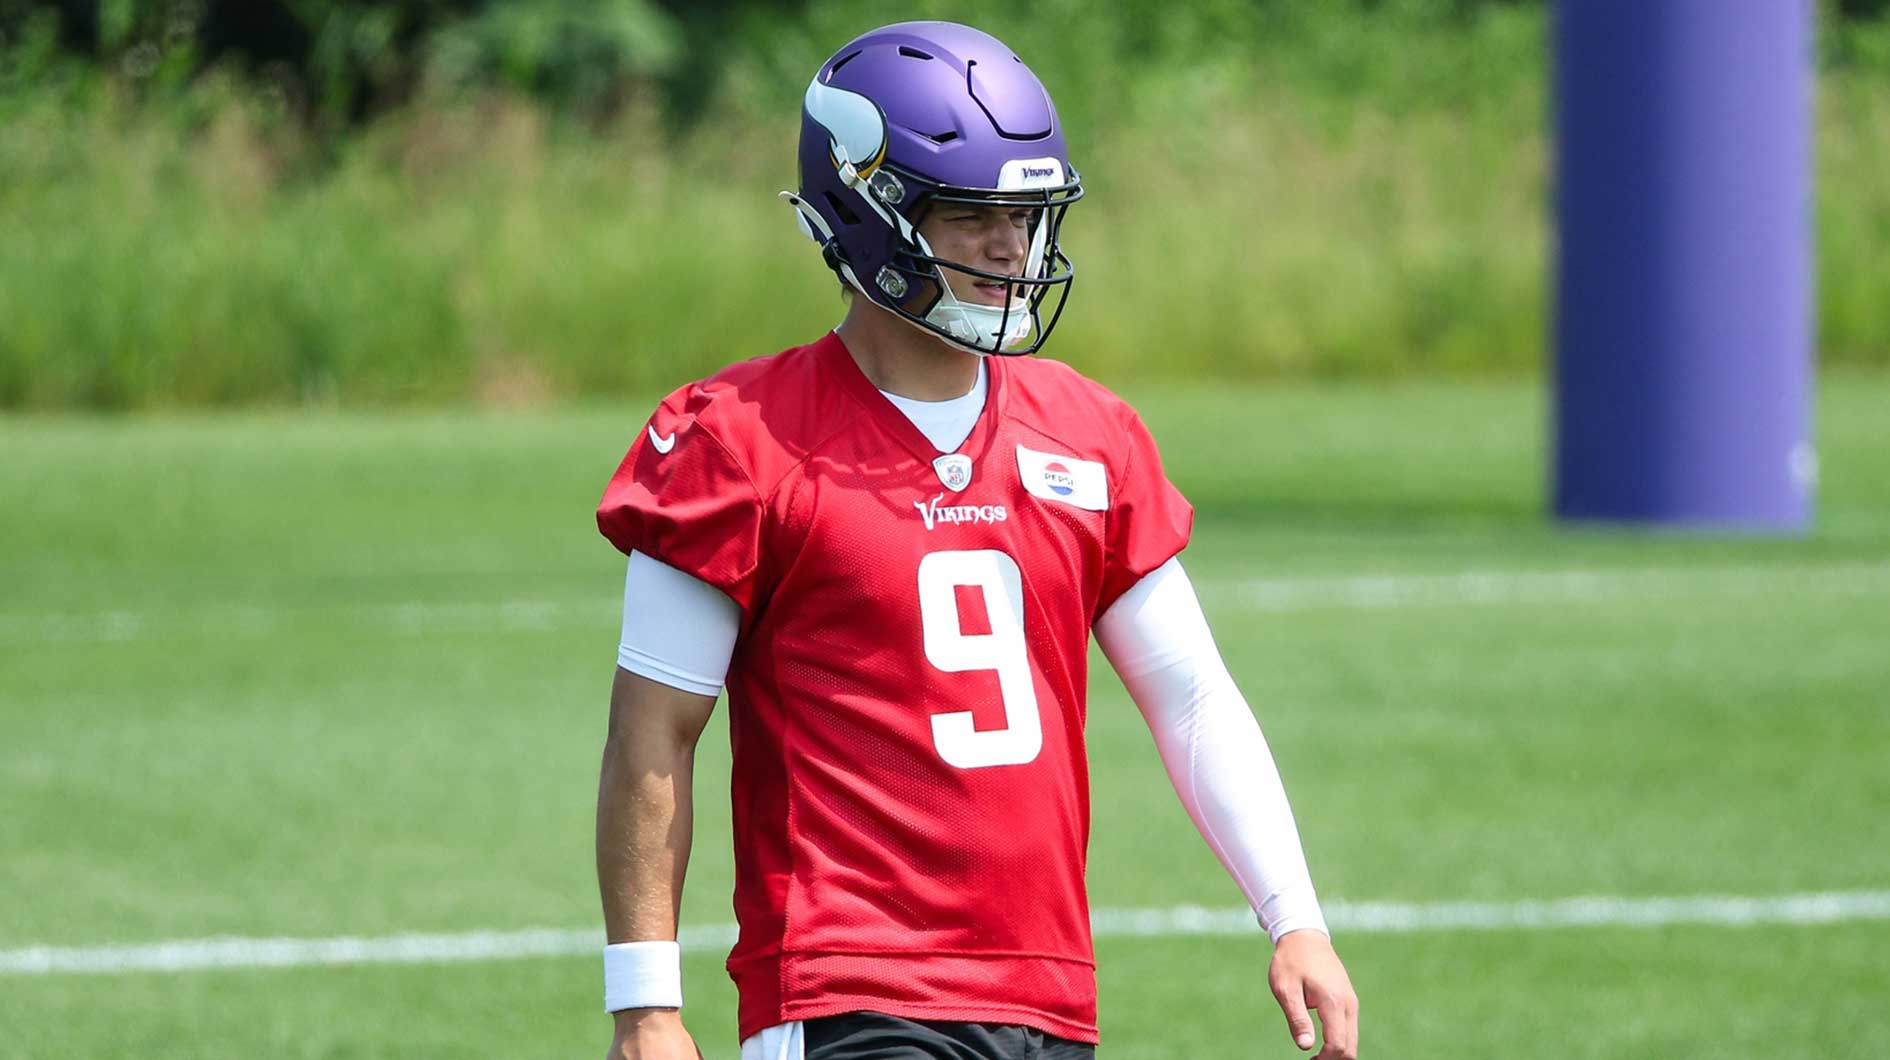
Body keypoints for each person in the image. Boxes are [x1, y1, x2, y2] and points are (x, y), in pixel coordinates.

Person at [594, 21, 1358, 1060]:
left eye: (1026, 215)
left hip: (1044, 993)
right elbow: (653, 729)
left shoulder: (1089, 433)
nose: (1012, 248)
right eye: (972, 215)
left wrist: (1293, 912)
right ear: (866, 213)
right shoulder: (739, 438)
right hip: (845, 987)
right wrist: (646, 1004)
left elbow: (1191, 695)